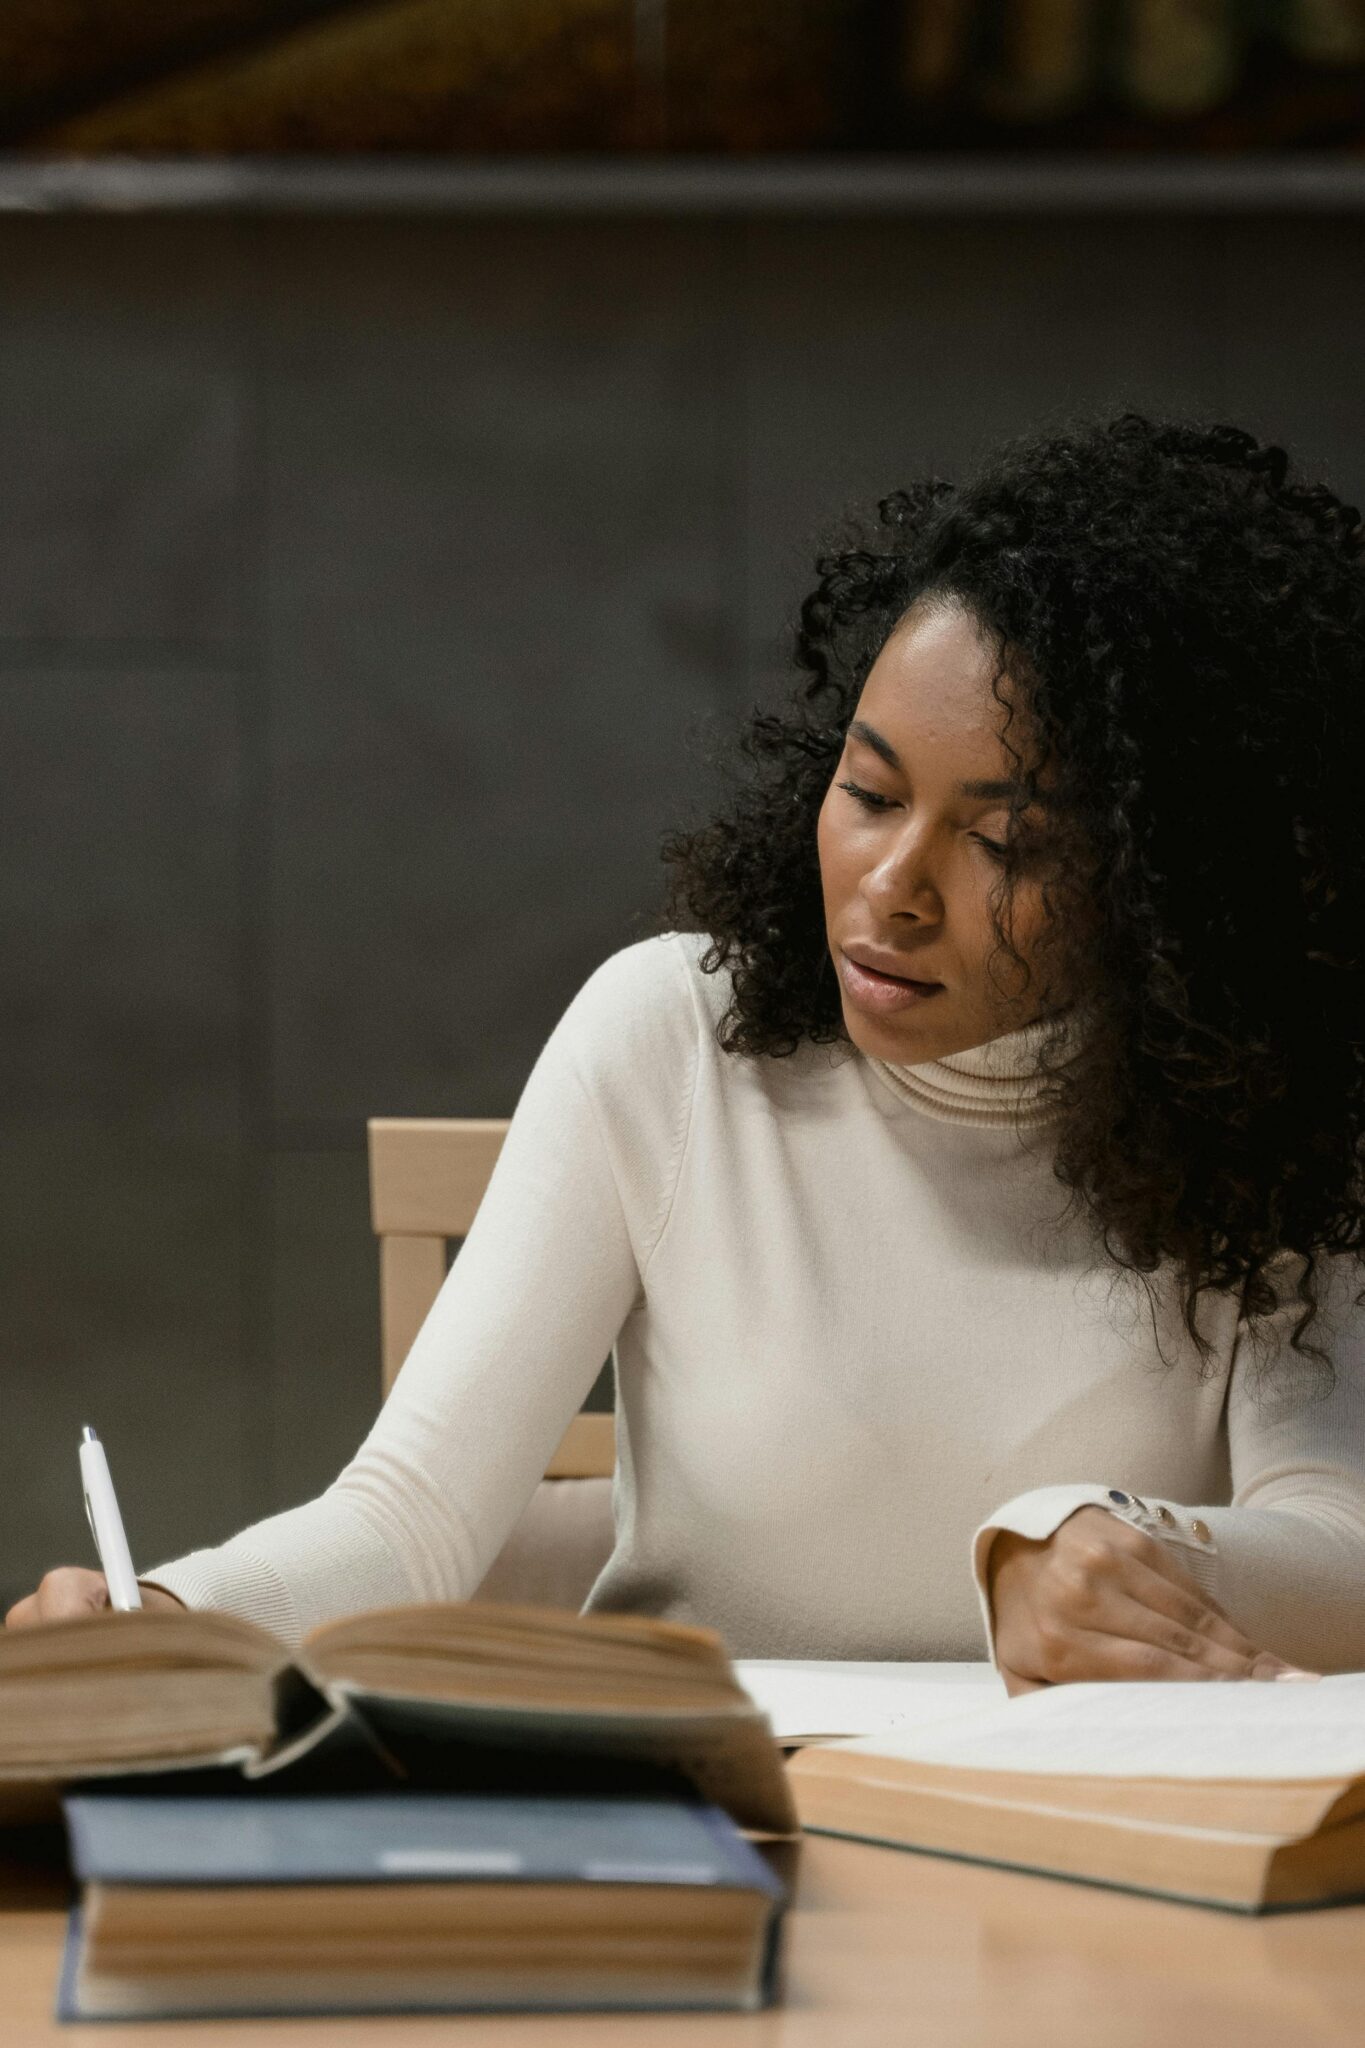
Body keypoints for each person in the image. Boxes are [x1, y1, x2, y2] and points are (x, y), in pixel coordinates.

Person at [9, 410, 1365, 1696]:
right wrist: (163, 1625)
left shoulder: (1266, 1123)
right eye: (870, 792)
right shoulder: (675, 1041)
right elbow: (407, 1517)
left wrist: (1103, 1536)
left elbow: (1342, 1544)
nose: (891, 885)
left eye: (1003, 842)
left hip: (1073, 1875)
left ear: (1164, 884)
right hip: (694, 1827)